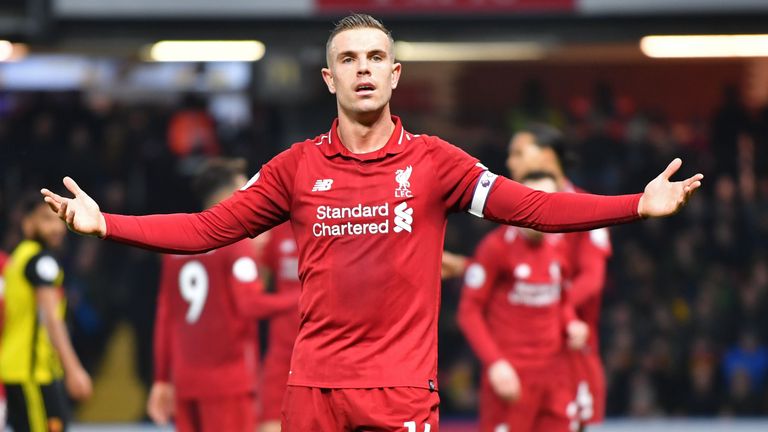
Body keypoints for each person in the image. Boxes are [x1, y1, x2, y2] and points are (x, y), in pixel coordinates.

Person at [41, 14, 702, 431]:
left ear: (395, 74)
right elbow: (207, 228)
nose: (363, 69)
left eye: (375, 58)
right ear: (329, 78)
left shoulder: (435, 163)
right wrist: (109, 224)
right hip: (314, 391)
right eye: (350, 60)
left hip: (402, 391)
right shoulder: (296, 168)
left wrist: (633, 205)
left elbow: (532, 206)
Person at [147, 159, 297, 432]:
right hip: (228, 380)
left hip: (185, 379)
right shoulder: (236, 242)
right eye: (245, 191)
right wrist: (301, 299)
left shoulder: (176, 248)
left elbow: (165, 316)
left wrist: (161, 378)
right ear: (230, 196)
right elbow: (250, 304)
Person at [458, 171, 589, 432]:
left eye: (551, 201)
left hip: (555, 377)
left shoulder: (558, 245)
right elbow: (468, 312)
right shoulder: (495, 248)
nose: (543, 210)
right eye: (535, 200)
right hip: (512, 377)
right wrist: (495, 363)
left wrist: (572, 322)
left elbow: (560, 299)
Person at [506, 123, 612, 428]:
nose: (511, 162)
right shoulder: (510, 209)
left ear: (548, 156)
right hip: (520, 355)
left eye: (518, 153)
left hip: (571, 350)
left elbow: (593, 278)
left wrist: (558, 308)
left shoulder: (588, 208)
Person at [1, 194, 92, 432]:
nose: (55, 228)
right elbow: (52, 319)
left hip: (20, 368)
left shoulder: (19, 256)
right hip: (33, 372)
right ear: (27, 223)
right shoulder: (41, 261)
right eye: (45, 220)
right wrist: (73, 370)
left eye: (57, 220)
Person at [257, 222, 300, 432]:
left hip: (322, 349)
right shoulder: (277, 232)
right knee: (270, 422)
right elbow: (257, 287)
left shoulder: (333, 226)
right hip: (281, 350)